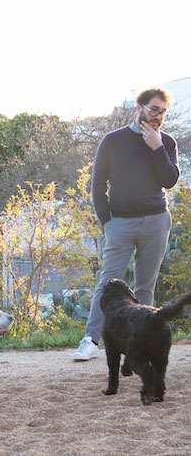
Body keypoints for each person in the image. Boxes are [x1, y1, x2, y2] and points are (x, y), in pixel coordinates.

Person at [73, 87, 180, 361]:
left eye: (162, 112)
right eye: (153, 110)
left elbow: (169, 180)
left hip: (156, 221)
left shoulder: (166, 142)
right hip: (120, 222)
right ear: (139, 108)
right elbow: (97, 185)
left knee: (146, 285)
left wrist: (156, 147)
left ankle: (142, 343)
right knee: (108, 282)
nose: (157, 116)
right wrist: (106, 221)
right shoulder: (112, 141)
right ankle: (90, 340)